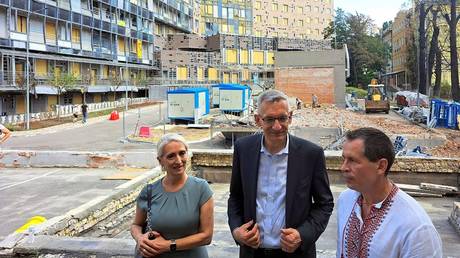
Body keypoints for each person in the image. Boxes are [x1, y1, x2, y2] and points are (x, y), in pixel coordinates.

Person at [228, 89, 334, 258]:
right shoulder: (243, 149)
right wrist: (236, 231)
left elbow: (325, 203)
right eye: (269, 119)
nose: (277, 126)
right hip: (252, 252)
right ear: (258, 120)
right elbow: (235, 196)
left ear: (290, 117)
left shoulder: (310, 154)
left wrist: (302, 234)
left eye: (282, 118)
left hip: (296, 253)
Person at [337, 127, 442, 258]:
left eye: (353, 160)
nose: (343, 168)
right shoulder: (345, 200)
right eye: (344, 159)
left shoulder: (416, 226)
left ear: (381, 166)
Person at [131, 133, 214, 258]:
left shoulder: (201, 189)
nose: (178, 160)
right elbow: (136, 225)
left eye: (182, 153)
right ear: (160, 161)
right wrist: (140, 238)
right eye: (171, 156)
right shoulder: (149, 191)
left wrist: (168, 245)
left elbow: (206, 236)